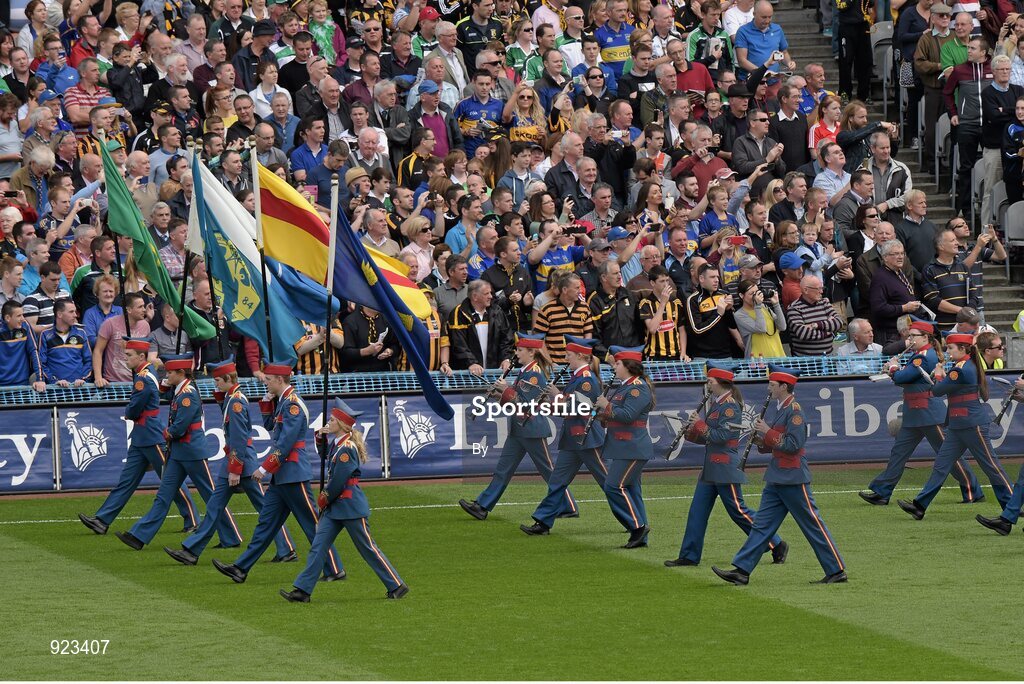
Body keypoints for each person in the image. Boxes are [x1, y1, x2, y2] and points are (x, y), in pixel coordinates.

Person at [712, 365, 847, 586]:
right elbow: (777, 443)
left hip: (792, 476)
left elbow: (794, 445)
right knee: (762, 526)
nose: (769, 388)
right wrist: (759, 438)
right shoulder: (782, 408)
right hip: (778, 476)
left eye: (772, 385)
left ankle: (836, 569)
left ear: (784, 386)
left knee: (812, 524)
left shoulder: (794, 411)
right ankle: (742, 570)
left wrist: (767, 432)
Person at [212, 362, 345, 584]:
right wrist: (266, 406)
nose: (266, 382)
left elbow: (285, 442)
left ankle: (334, 567)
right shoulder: (284, 402)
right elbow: (274, 428)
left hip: (293, 474)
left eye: (269, 379)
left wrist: (265, 468)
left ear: (280, 380)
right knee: (266, 524)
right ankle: (241, 568)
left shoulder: (292, 405)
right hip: (283, 476)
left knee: (311, 525)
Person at [164, 358, 297, 566]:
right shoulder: (233, 397)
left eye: (218, 380)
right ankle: (192, 550)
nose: (215, 384)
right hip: (237, 463)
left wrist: (235, 469)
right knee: (216, 507)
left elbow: (238, 438)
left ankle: (287, 548)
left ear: (228, 379)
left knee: (264, 510)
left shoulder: (235, 402)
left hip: (241, 465)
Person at [280, 398, 408, 602]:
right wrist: (320, 438)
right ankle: (302, 591)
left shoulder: (346, 448)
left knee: (367, 548)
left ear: (341, 424)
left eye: (331, 421)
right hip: (336, 508)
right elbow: (326, 459)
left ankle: (396, 584)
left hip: (349, 507)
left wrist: (324, 498)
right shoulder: (337, 444)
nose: (328, 423)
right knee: (318, 547)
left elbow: (339, 480)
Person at [114, 355, 243, 552]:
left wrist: (167, 433)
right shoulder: (181, 390)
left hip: (192, 452)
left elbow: (181, 425)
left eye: (170, 373)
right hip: (179, 452)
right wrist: (165, 385)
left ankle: (231, 536)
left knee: (211, 496)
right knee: (163, 496)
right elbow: (161, 394)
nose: (166, 375)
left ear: (181, 373)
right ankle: (138, 536)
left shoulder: (188, 394)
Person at [666, 364, 789, 567]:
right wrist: (690, 433)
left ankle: (775, 543)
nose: (708, 385)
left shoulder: (730, 407)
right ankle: (689, 555)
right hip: (711, 466)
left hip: (724, 466)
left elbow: (723, 436)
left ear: (721, 383)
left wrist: (699, 425)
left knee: (738, 511)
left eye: (711, 381)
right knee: (697, 511)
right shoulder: (718, 404)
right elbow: (710, 437)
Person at [78, 339, 198, 536]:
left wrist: (129, 412)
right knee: (127, 481)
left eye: (129, 355)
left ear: (141, 356)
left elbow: (134, 407)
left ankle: (192, 519)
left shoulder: (143, 378)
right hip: (144, 437)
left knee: (170, 480)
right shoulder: (146, 375)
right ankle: (102, 520)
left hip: (150, 436)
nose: (126, 359)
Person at [860, 321, 982, 506]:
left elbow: (904, 377)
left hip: (929, 413)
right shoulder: (917, 355)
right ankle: (882, 491)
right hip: (914, 413)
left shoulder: (925, 356)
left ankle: (972, 490)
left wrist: (894, 368)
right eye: (909, 336)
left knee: (948, 455)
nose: (909, 339)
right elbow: (905, 381)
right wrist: (895, 371)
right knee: (898, 453)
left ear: (925, 337)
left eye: (913, 336)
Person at [459, 333, 578, 520]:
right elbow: (514, 401)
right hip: (520, 427)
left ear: (531, 352)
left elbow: (525, 403)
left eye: (520, 350)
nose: (517, 353)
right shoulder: (525, 372)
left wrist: (504, 389)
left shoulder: (534, 374)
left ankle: (569, 505)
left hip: (531, 428)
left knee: (549, 471)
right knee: (503, 470)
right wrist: (499, 393)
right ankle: (482, 506)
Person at [897, 333, 1016, 519]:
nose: (947, 351)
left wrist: (937, 376)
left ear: (963, 349)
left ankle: (1012, 507)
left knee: (991, 467)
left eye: (951, 348)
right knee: (941, 466)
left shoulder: (961, 369)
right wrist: (942, 377)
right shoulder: (963, 366)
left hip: (971, 425)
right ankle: (919, 505)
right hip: (959, 425)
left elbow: (937, 391)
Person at [520, 337, 617, 536]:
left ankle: (635, 523)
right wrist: (550, 399)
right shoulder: (578, 377)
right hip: (574, 438)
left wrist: (555, 396)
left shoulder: (587, 380)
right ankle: (543, 522)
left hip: (587, 437)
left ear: (581, 356)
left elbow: (578, 408)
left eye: (569, 355)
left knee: (609, 483)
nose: (566, 358)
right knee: (557, 481)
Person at [594, 345, 654, 549]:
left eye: (617, 363)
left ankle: (637, 527)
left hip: (632, 447)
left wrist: (606, 406)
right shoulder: (626, 386)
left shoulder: (638, 388)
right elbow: (618, 415)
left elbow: (628, 415)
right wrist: (602, 416)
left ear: (628, 366)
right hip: (624, 446)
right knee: (632, 490)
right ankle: (640, 535)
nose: (614, 367)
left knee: (613, 486)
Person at [447, 279, 516, 373]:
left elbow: (507, 338)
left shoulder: (497, 311)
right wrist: (471, 363)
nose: (491, 296)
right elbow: (458, 343)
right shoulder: (459, 313)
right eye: (486, 294)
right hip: (468, 373)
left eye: (490, 293)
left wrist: (506, 359)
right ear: (475, 296)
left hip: (494, 372)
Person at [786, 275, 843, 357]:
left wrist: (817, 325)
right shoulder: (794, 309)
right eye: (818, 289)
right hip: (807, 362)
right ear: (806, 290)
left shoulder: (824, 303)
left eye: (822, 288)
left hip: (828, 357)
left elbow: (838, 322)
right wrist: (828, 331)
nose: (821, 292)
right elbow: (803, 334)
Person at [733, 278, 786, 358]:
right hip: (758, 360)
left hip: (778, 355)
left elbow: (782, 327)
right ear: (741, 295)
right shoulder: (739, 315)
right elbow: (761, 329)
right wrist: (757, 306)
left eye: (756, 292)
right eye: (751, 294)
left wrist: (776, 304)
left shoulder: (763, 307)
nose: (755, 296)